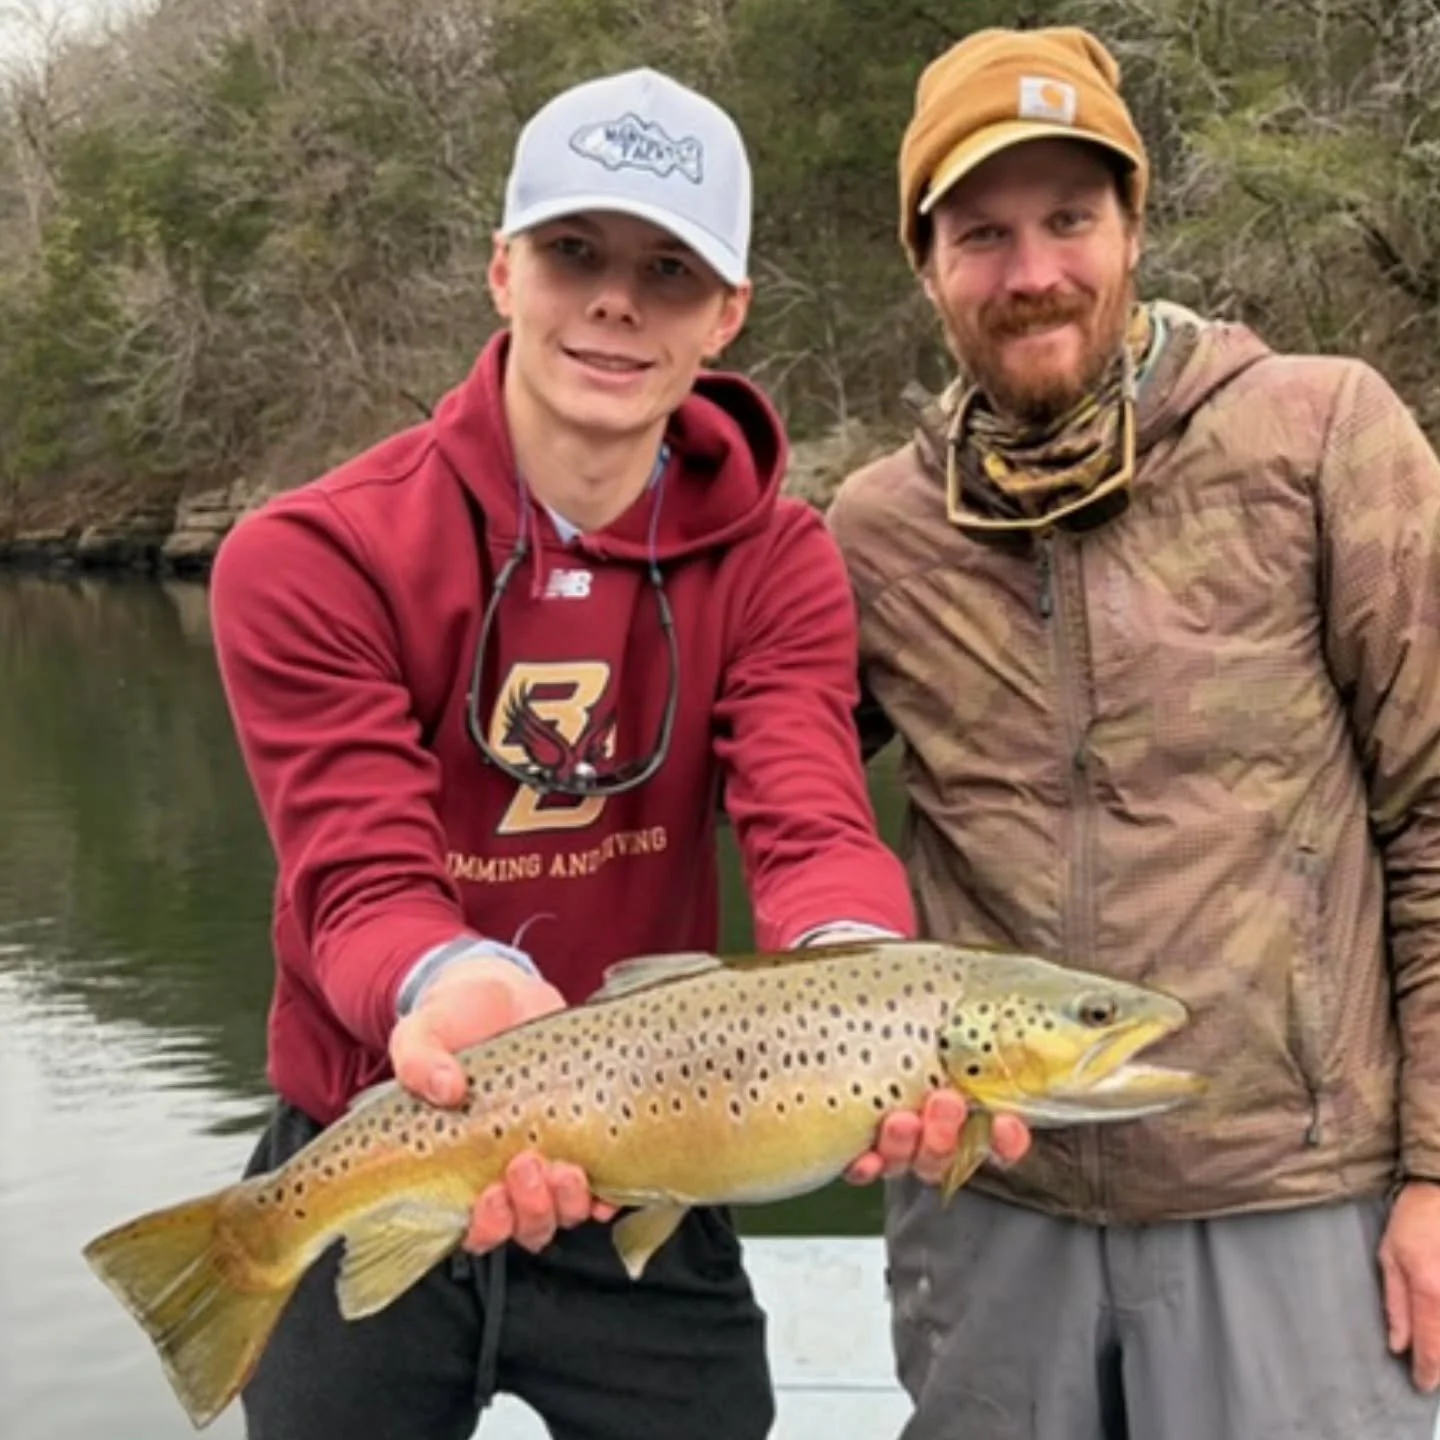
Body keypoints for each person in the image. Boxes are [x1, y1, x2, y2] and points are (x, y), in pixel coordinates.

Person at [209, 63, 1025, 1440]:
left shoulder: (781, 560)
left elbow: (812, 813)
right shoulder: (310, 555)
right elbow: (356, 876)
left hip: (667, 1151)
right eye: (575, 252)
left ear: (728, 314)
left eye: (668, 268)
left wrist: (858, 984)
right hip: (386, 1125)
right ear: (501, 270)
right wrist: (448, 976)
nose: (614, 300)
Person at [828, 23, 1440, 1440]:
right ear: (925, 263)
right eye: (981, 232)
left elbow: (1432, 814)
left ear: (1132, 224)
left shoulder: (1323, 434)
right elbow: (761, 794)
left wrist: (1434, 1176)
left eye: (1068, 219)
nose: (1033, 271)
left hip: (1297, 1199)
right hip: (991, 1210)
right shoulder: (877, 530)